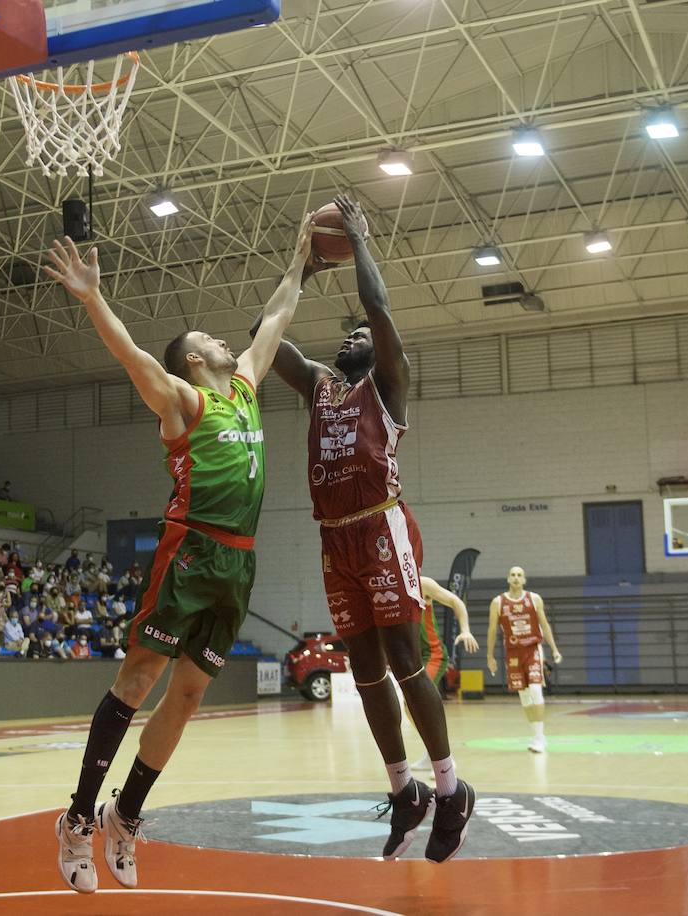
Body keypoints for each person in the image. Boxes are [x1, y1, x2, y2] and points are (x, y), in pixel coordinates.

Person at [42, 216, 310, 894]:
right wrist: (91, 298)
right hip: (191, 552)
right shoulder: (182, 400)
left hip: (239, 565)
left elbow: (276, 318)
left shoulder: (245, 385)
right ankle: (77, 819)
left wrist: (301, 261)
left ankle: (124, 816)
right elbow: (131, 354)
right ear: (191, 358)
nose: (222, 339)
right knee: (138, 682)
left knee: (188, 697)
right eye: (207, 338)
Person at [259, 195, 473, 863]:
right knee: (365, 669)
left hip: (381, 528)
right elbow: (264, 337)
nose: (351, 336)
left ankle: (451, 789)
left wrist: (357, 240)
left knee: (406, 659)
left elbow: (377, 309)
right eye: (346, 334)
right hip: (334, 536)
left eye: (361, 335)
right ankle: (405, 788)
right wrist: (300, 266)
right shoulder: (320, 385)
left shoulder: (389, 383)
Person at [487, 567, 563, 754]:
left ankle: (539, 737)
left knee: (536, 690)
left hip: (532, 649)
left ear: (524, 580)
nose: (516, 578)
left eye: (519, 575)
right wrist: (490, 656)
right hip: (513, 653)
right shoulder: (498, 602)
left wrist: (554, 649)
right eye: (513, 575)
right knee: (524, 696)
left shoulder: (534, 599)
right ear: (508, 579)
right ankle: (536, 735)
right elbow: (492, 630)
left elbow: (545, 625)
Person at [417, 576, 479, 691]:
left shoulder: (422, 584)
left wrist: (465, 630)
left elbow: (455, 601)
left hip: (431, 655)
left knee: (418, 694)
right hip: (405, 655)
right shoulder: (385, 589)